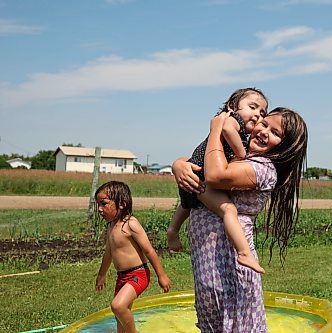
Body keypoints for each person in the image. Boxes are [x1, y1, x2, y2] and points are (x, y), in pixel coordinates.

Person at [173, 107, 308, 332]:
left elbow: (214, 176)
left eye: (276, 133)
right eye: (264, 123)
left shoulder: (263, 168)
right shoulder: (241, 153)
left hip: (229, 259)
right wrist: (178, 164)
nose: (264, 131)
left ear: (286, 147)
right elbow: (198, 161)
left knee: (235, 323)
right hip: (207, 256)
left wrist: (216, 128)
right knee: (212, 319)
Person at [167, 87, 268, 274]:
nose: (257, 115)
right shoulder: (231, 119)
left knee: (188, 203)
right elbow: (228, 129)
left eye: (262, 113)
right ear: (232, 106)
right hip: (201, 175)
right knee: (228, 209)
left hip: (196, 170)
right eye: (252, 107)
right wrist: (241, 154)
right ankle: (244, 252)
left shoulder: (236, 128)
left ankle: (173, 229)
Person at [94, 181, 171, 333]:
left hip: (138, 274)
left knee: (118, 306)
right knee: (120, 317)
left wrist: (161, 276)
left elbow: (149, 251)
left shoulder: (131, 224)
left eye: (104, 204)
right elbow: (108, 253)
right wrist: (101, 274)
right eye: (98, 204)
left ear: (121, 204)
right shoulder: (111, 225)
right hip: (121, 277)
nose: (100, 209)